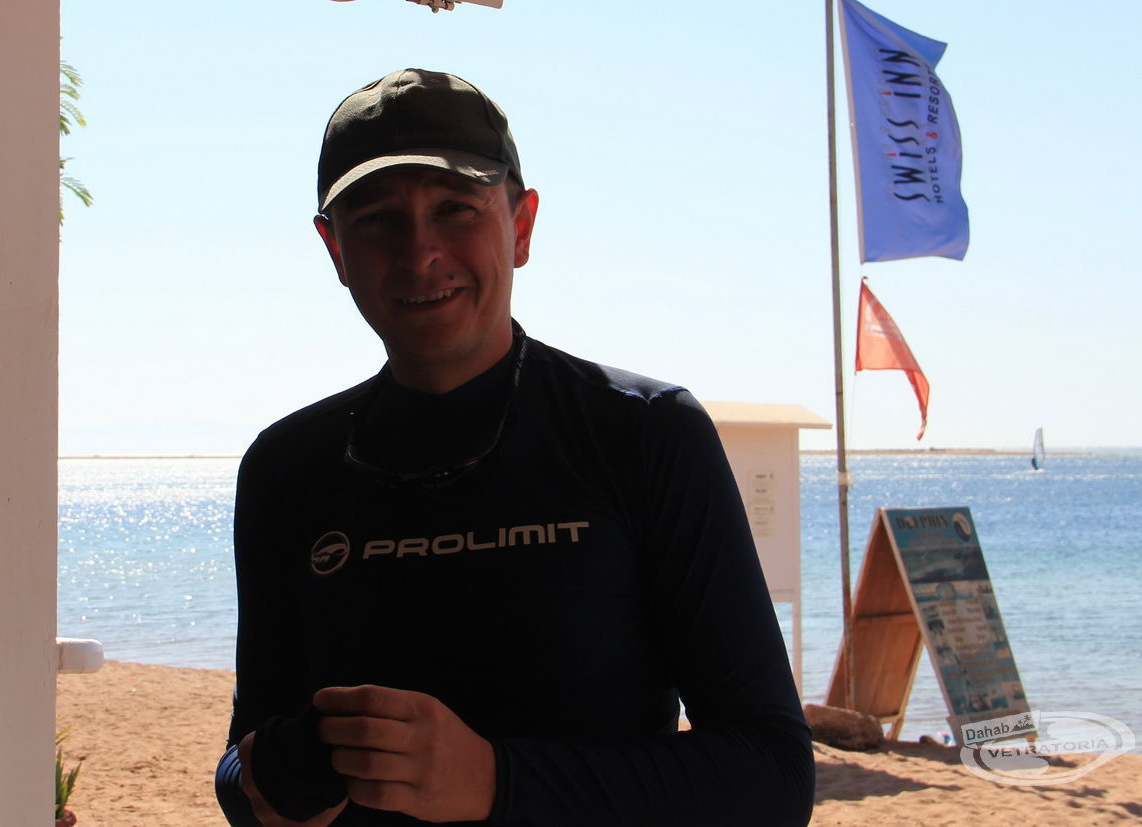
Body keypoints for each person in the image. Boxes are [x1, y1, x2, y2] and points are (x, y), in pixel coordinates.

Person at [215, 68, 814, 826]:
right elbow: (243, 765)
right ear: (334, 248)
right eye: (377, 219)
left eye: (456, 208)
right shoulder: (286, 467)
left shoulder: (643, 432)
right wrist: (273, 775)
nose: (419, 252)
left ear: (521, 226)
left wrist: (497, 782)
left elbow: (773, 776)